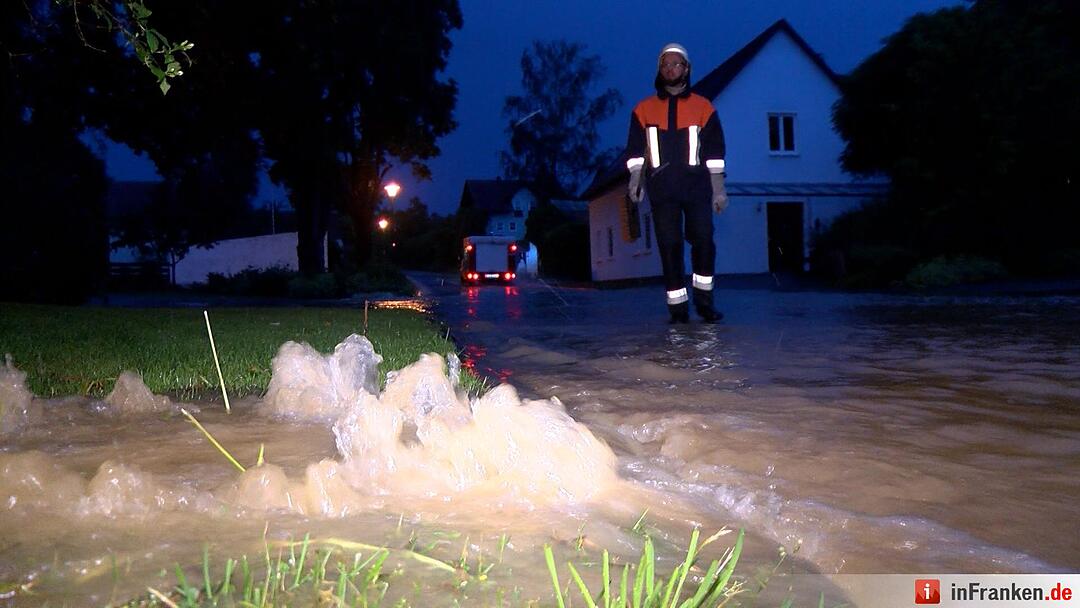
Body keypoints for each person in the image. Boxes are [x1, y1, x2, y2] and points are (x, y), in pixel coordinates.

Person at [626, 43, 727, 323]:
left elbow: (715, 152)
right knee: (669, 246)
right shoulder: (643, 110)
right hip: (662, 192)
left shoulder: (703, 108)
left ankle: (705, 303)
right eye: (665, 65)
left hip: (697, 190)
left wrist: (718, 189)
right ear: (660, 70)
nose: (671, 69)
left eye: (676, 64)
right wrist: (636, 179)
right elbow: (635, 152)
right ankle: (678, 309)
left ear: (687, 69)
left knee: (704, 241)